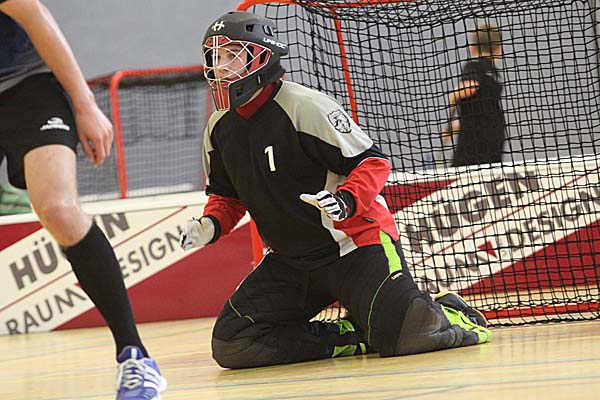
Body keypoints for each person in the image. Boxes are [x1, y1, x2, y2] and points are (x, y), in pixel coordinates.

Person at [180, 11, 492, 369]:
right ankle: (355, 336)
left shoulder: (305, 107)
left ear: (262, 57)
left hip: (353, 247)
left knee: (411, 334)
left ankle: (452, 313)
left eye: (231, 55)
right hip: (290, 261)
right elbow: (228, 197)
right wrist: (210, 225)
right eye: (214, 56)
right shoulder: (218, 129)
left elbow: (372, 163)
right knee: (234, 343)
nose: (219, 66)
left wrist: (346, 201)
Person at [0, 1, 166, 398]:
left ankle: (135, 357)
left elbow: (35, 13)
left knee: (59, 210)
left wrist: (85, 104)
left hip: (27, 86)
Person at [443, 22, 505, 167]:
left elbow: (471, 87)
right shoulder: (494, 74)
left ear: (471, 48)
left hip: (472, 145)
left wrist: (453, 96)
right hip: (494, 141)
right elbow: (483, 112)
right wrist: (456, 126)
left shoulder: (472, 67)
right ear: (499, 50)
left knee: (458, 177)